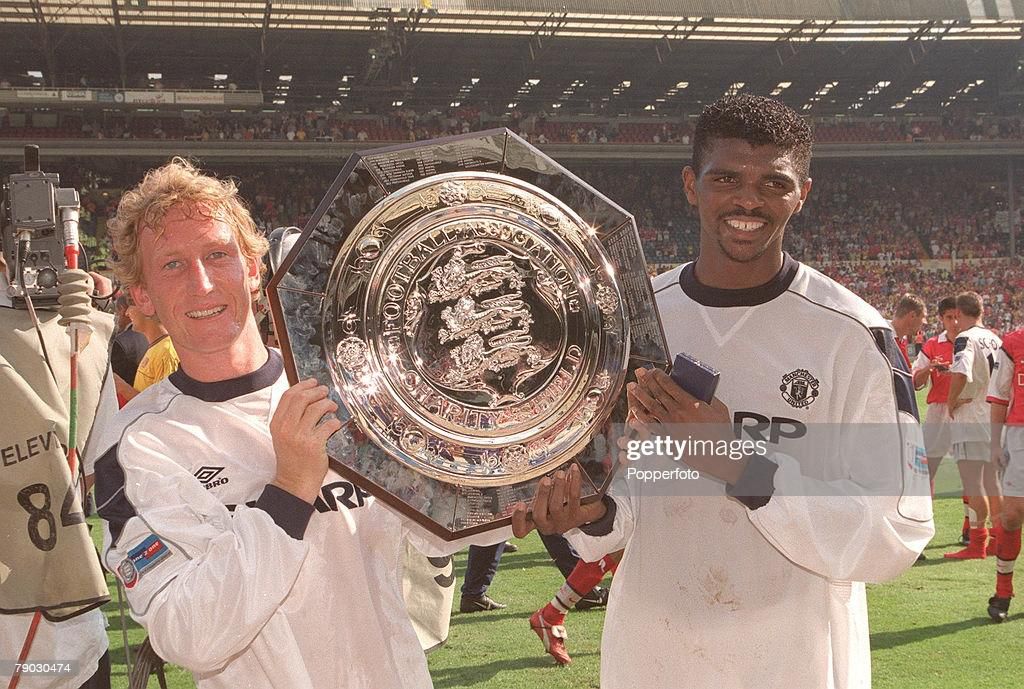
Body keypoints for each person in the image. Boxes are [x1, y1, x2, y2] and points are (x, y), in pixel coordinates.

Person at [512, 94, 933, 689]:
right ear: (691, 184)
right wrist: (595, 511)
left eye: (773, 183)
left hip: (792, 659)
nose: (748, 200)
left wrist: (740, 464)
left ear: (803, 193)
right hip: (655, 651)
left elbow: (897, 530)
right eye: (726, 178)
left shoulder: (853, 336)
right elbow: (626, 494)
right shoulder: (632, 322)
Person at [94, 159, 506, 689]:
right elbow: (189, 633)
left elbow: (434, 526)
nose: (201, 283)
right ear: (144, 295)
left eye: (218, 254)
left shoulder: (351, 390)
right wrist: (289, 487)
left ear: (252, 268)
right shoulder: (138, 446)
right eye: (172, 264)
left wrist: (525, 494)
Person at [0, 254, 116, 689]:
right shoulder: (77, 330)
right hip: (69, 646)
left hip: (63, 645)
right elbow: (88, 473)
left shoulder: (78, 330)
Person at [944, 291, 1003, 560]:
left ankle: (977, 543)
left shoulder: (965, 338)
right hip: (994, 414)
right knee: (993, 481)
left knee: (973, 481)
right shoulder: (995, 338)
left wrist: (951, 400)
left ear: (958, 313)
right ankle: (999, 539)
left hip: (971, 414)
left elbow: (960, 371)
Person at [912, 297, 969, 542]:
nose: (955, 322)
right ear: (942, 319)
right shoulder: (933, 344)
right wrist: (930, 368)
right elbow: (915, 381)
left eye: (957, 316)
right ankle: (922, 527)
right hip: (937, 410)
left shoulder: (973, 342)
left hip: (966, 410)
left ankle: (972, 528)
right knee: (927, 468)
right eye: (949, 317)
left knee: (970, 468)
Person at [986, 324, 1024, 621]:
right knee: (1011, 515)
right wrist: (994, 443)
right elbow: (999, 396)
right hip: (1018, 434)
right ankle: (1003, 590)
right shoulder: (1013, 343)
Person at [126, 299, 179, 392]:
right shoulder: (159, 347)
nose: (127, 313)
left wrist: (123, 388)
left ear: (148, 308)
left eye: (131, 304)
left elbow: (164, 403)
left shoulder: (167, 351)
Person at [889, 294, 927, 368]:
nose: (925, 322)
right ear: (912, 315)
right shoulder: (881, 337)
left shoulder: (901, 340)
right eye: (923, 317)